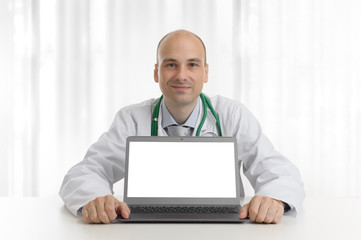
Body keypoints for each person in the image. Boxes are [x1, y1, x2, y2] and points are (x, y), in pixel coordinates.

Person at [59, 29, 305, 224]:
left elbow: (278, 169)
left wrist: (274, 198)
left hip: (221, 230)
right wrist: (97, 199)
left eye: (193, 64)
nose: (181, 75)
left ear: (206, 73)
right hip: (148, 230)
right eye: (171, 64)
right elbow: (84, 172)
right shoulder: (131, 119)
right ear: (156, 72)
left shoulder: (231, 115)